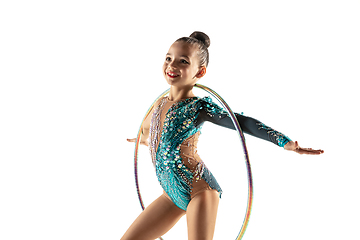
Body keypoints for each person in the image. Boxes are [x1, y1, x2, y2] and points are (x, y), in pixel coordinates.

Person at [122, 31, 324, 240]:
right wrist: (145, 141)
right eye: (168, 58)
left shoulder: (198, 107)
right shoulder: (158, 104)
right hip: (171, 195)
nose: (172, 66)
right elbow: (150, 132)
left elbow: (242, 122)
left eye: (183, 61)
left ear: (200, 73)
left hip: (200, 192)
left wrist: (285, 142)